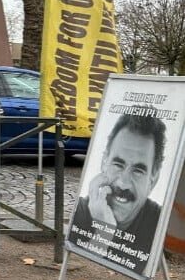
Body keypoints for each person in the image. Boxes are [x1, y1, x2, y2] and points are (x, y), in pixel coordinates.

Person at [70, 112, 166, 271]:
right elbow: (85, 271)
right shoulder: (79, 213)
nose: (123, 183)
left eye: (138, 170)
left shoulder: (161, 224)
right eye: (118, 164)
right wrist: (104, 232)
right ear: (104, 162)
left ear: (153, 179)